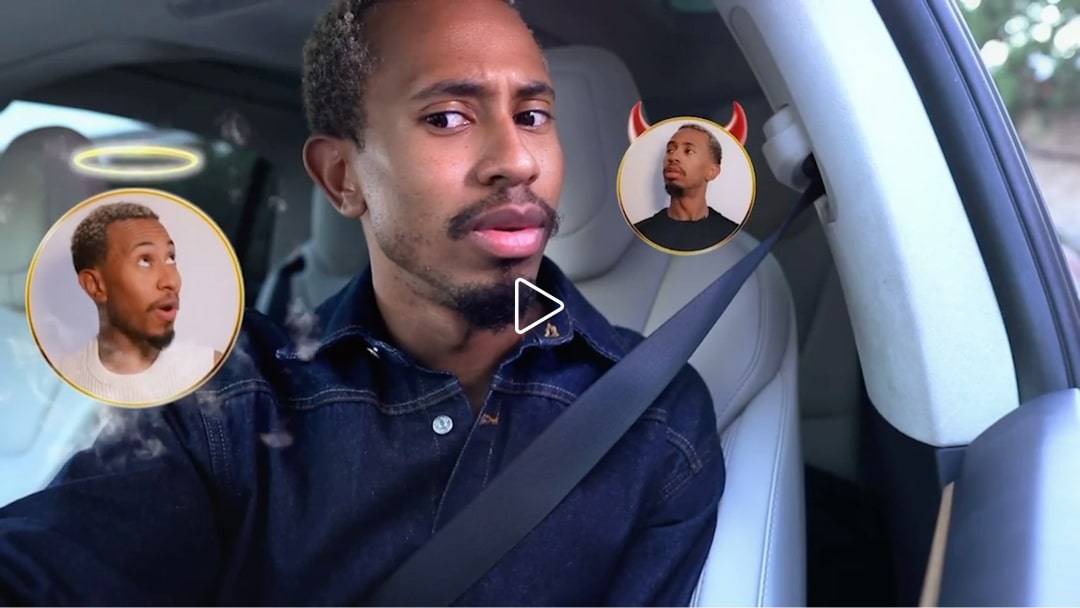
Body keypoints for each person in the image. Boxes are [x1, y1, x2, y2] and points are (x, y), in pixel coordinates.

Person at [0, 0, 725, 605]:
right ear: (342, 177)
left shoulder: (655, 417)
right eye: (448, 117)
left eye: (533, 115)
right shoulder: (230, 398)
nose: (518, 159)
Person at [51, 201, 223, 405]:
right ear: (95, 285)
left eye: (170, 258)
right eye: (144, 260)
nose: (171, 281)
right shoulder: (58, 384)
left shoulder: (211, 370)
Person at [633, 123, 741, 252]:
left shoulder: (733, 236)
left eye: (688, 151)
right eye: (670, 150)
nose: (673, 157)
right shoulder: (638, 236)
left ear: (712, 172)